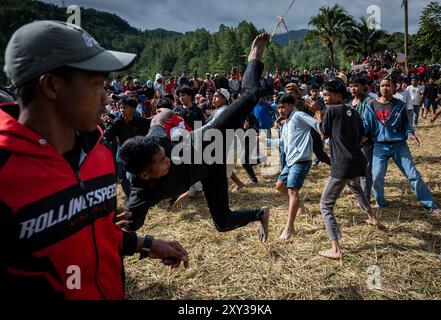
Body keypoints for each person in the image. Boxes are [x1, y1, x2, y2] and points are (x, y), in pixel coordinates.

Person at [0, 20, 188, 300]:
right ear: (52, 86)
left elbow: (95, 232)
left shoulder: (99, 153)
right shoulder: (6, 175)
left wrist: (147, 244)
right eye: (97, 83)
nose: (106, 97)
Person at [121, 33, 272, 241]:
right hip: (210, 168)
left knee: (250, 96)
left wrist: (168, 112)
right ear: (145, 175)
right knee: (223, 223)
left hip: (208, 140)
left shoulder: (155, 142)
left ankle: (254, 57)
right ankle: (261, 214)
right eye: (163, 161)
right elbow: (125, 231)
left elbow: (157, 123)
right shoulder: (140, 197)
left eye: (165, 154)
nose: (169, 159)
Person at [306, 80, 378, 260]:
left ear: (338, 95)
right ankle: (372, 217)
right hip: (358, 160)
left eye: (328, 94)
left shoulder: (330, 111)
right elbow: (362, 136)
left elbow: (323, 133)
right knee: (355, 187)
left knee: (325, 204)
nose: (325, 97)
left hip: (342, 164)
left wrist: (317, 113)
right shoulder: (352, 111)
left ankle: (335, 248)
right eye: (324, 94)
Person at [363, 75, 441, 214]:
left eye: (388, 85)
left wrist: (410, 133)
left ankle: (430, 204)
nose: (385, 88)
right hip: (379, 147)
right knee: (377, 176)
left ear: (395, 87)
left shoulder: (399, 105)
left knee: (413, 175)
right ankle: (380, 202)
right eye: (382, 85)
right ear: (378, 87)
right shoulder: (371, 105)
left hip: (399, 145)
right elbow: (366, 127)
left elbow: (406, 124)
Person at [275, 94, 321, 241]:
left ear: (291, 105)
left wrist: (319, 115)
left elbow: (317, 125)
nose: (280, 110)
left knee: (292, 191)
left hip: (301, 160)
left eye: (283, 107)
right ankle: (301, 207)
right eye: (278, 108)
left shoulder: (298, 115)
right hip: (290, 162)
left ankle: (289, 227)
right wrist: (263, 141)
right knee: (280, 186)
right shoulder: (286, 122)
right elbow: (281, 142)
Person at [103, 98, 150, 201]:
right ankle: (131, 197)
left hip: (137, 152)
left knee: (137, 175)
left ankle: (143, 194)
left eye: (124, 107)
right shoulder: (117, 122)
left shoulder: (141, 121)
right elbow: (107, 136)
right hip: (121, 152)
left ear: (133, 109)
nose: (121, 110)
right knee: (122, 176)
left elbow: (151, 128)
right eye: (120, 107)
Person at [349, 74, 374, 202]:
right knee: (354, 170)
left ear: (363, 87)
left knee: (365, 170)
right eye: (351, 86)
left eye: (356, 86)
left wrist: (362, 136)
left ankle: (366, 198)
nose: (353, 88)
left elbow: (368, 122)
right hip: (352, 141)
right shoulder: (349, 102)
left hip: (365, 140)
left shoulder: (368, 101)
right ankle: (359, 195)